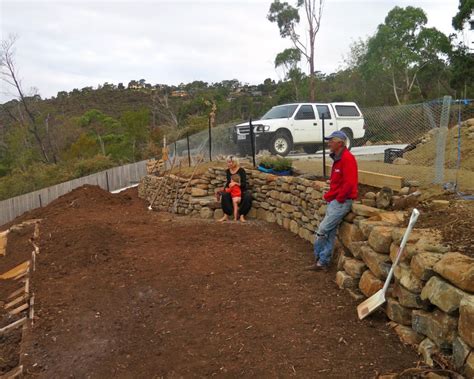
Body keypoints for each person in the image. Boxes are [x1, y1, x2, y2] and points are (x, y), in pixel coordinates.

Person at [307, 131, 358, 271]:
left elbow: (349, 182)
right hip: (335, 200)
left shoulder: (347, 158)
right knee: (329, 232)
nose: (328, 143)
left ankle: (319, 258)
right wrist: (332, 196)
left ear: (340, 143)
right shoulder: (339, 158)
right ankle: (323, 262)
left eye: (331, 141)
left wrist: (340, 198)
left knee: (322, 230)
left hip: (341, 202)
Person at [218, 156, 252, 222]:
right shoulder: (228, 171)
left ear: (234, 162)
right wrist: (225, 189)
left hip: (240, 191)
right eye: (227, 162)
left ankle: (242, 215)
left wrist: (236, 184)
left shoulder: (241, 171)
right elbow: (228, 182)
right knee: (224, 195)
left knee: (248, 196)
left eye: (229, 162)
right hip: (232, 191)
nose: (228, 164)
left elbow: (244, 184)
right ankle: (226, 215)